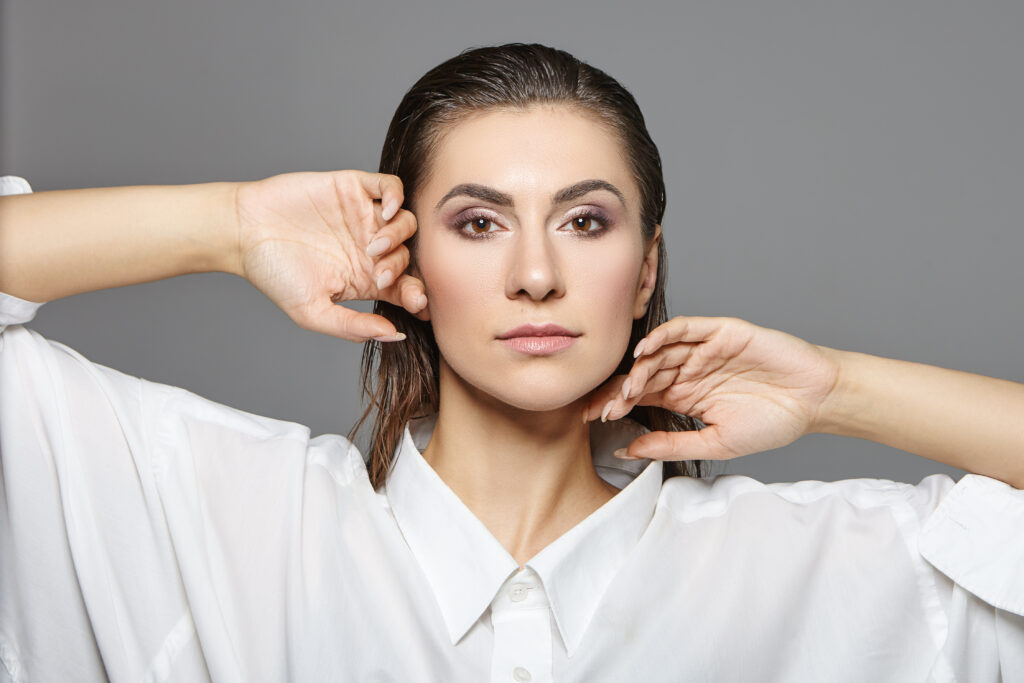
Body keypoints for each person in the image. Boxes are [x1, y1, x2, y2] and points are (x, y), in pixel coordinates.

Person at [1, 43, 1021, 682]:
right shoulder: (225, 520)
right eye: (478, 221)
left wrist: (839, 390)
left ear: (644, 263)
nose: (535, 272)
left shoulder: (830, 567)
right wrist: (227, 223)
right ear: (409, 255)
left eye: (585, 220)